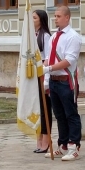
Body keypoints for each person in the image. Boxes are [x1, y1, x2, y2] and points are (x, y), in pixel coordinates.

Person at [44, 4, 82, 161]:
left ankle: (74, 146)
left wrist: (50, 67)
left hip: (66, 80)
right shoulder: (53, 37)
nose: (55, 19)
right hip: (53, 80)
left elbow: (69, 60)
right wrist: (44, 68)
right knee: (59, 115)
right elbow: (48, 57)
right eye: (55, 16)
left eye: (58, 16)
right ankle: (63, 144)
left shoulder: (73, 36)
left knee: (70, 114)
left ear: (67, 17)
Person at [32, 9, 52, 154]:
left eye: (34, 18)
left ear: (41, 20)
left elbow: (47, 58)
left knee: (45, 109)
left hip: (42, 75)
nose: (32, 21)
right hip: (32, 76)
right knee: (36, 108)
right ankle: (38, 138)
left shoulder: (45, 36)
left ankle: (46, 139)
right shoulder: (32, 36)